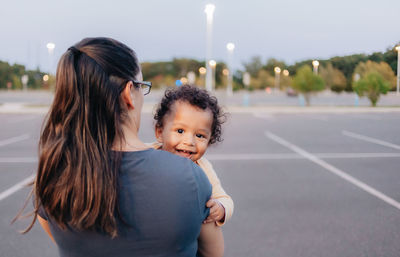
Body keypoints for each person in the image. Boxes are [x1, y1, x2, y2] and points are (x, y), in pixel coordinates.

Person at [20, 37, 221, 257]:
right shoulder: (189, 175)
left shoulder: (52, 175)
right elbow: (213, 253)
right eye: (142, 86)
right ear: (128, 93)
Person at [152, 85, 234, 227]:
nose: (189, 142)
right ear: (160, 132)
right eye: (180, 131)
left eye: (199, 135)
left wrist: (220, 208)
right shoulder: (147, 154)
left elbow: (225, 199)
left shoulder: (203, 168)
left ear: (209, 140)